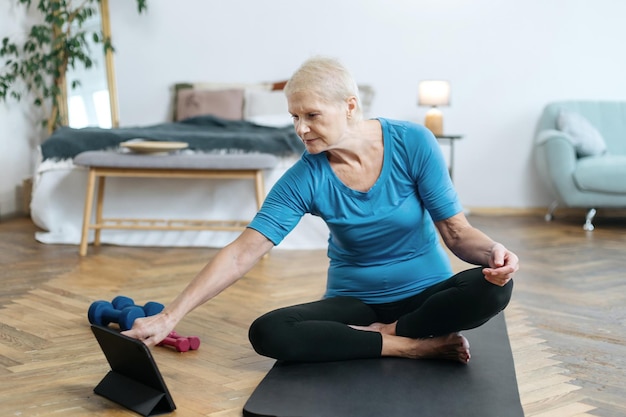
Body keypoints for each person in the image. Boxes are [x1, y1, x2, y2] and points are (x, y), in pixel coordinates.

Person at [124, 56, 519, 364]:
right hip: (355, 303)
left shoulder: (413, 142)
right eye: (294, 117)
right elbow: (244, 252)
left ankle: (392, 332)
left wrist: (494, 254)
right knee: (269, 331)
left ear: (349, 106)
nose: (300, 128)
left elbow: (457, 233)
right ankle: (411, 347)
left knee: (492, 288)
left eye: (312, 115)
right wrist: (169, 317)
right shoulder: (304, 177)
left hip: (425, 294)